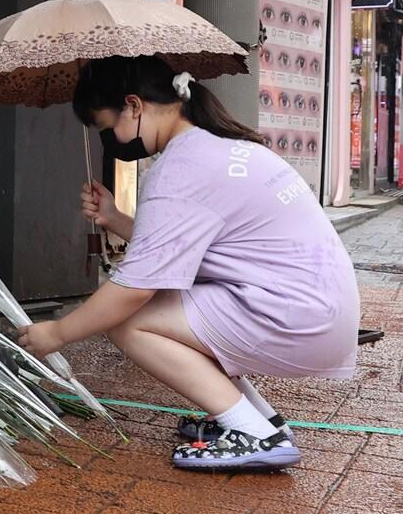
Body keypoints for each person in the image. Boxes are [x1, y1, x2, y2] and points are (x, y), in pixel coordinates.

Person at [19, 56, 358, 471]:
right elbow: (180, 248)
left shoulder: (180, 170)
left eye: (108, 127)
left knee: (127, 318)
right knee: (173, 306)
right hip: (315, 309)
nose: (111, 139)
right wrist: (115, 218)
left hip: (297, 318)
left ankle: (253, 435)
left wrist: (57, 332)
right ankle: (260, 421)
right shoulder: (215, 147)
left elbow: (135, 288)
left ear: (134, 105)